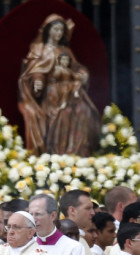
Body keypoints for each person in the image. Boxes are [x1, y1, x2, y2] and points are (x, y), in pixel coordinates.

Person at [18, 14, 100, 156]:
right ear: (48, 30)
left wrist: (83, 74)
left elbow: (76, 68)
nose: (59, 33)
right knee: (63, 113)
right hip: (51, 94)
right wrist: (38, 81)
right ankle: (57, 150)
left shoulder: (65, 51)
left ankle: (76, 151)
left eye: (61, 30)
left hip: (70, 93)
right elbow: (34, 70)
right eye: (56, 29)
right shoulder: (39, 49)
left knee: (84, 111)